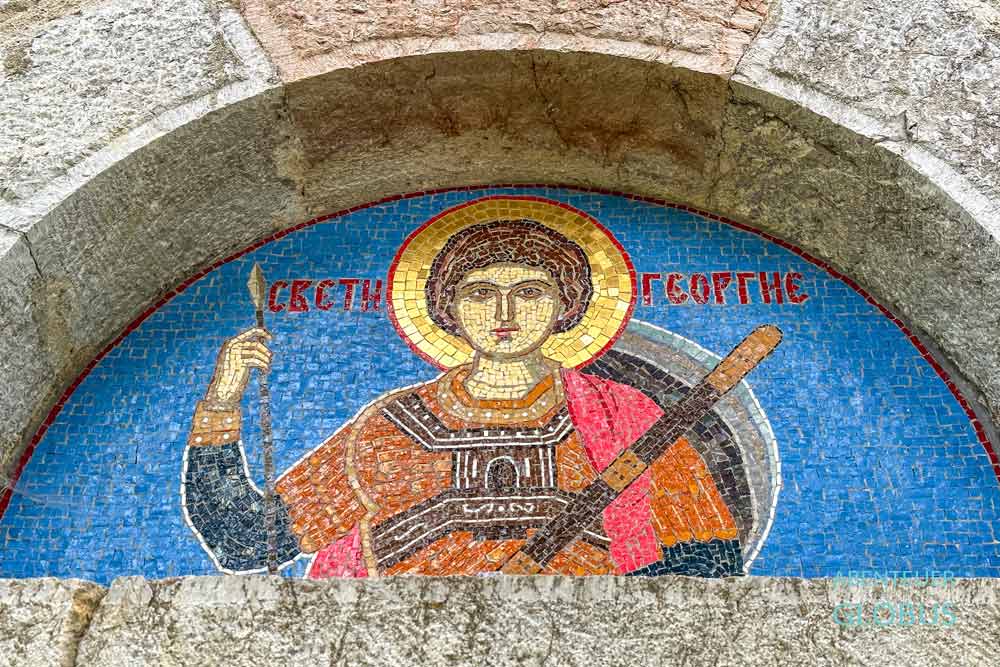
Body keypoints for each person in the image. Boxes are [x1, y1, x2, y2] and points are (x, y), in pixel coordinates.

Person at [182, 219, 742, 577]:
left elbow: (703, 557)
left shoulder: (624, 417)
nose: (504, 315)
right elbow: (247, 541)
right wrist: (221, 405)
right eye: (480, 293)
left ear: (564, 306)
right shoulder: (392, 427)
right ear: (447, 309)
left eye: (529, 292)